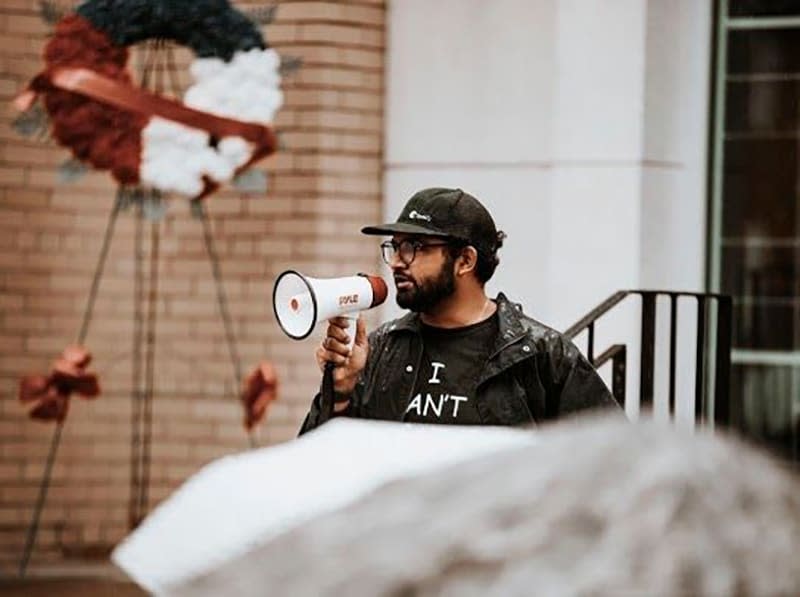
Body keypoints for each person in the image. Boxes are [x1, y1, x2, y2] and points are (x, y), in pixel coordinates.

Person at [299, 187, 619, 434]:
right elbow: (320, 467)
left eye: (414, 247)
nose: (397, 261)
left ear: (465, 260)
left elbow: (608, 456)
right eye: (395, 246)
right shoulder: (381, 349)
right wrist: (339, 394)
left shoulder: (540, 354)